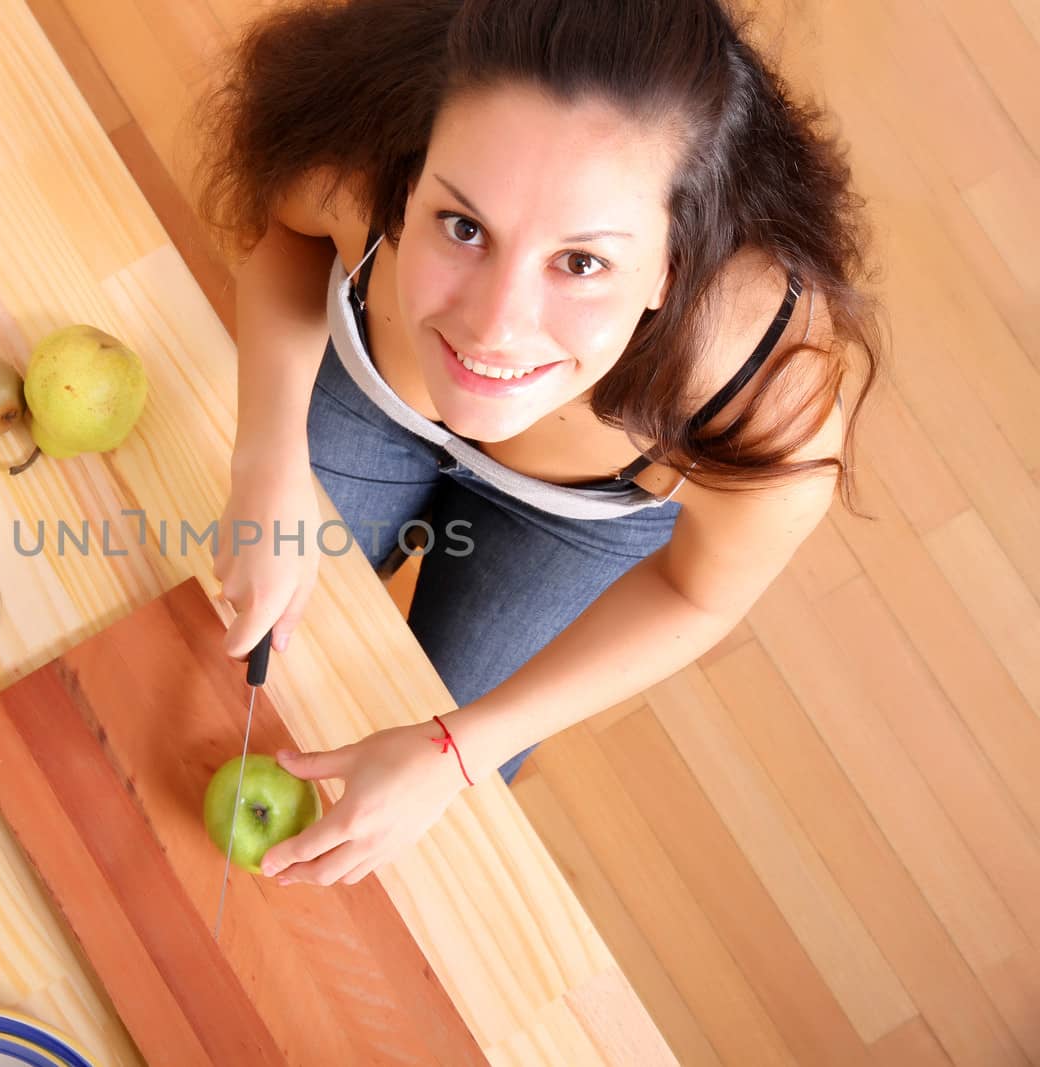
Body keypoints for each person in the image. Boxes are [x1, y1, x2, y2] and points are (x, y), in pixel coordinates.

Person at [196, 0, 882, 888]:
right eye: (463, 226)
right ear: (413, 173)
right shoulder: (360, 158)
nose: (494, 331)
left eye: (582, 262)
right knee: (238, 631)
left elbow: (696, 594)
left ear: (674, 262)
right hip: (375, 400)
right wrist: (268, 458)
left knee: (452, 747)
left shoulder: (761, 381)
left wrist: (452, 752)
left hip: (582, 519)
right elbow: (287, 236)